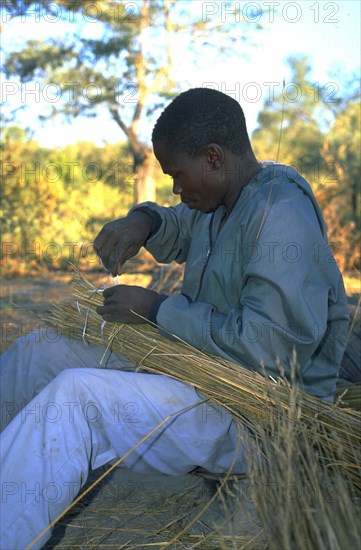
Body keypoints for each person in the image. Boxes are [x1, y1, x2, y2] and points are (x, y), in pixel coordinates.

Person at [0, 88, 350, 549]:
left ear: (213, 158)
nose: (176, 190)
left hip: (255, 414)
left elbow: (269, 350)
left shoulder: (280, 216)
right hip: (198, 372)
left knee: (76, 397)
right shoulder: (220, 199)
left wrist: (156, 309)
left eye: (178, 176)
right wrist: (142, 222)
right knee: (32, 354)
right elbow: (177, 222)